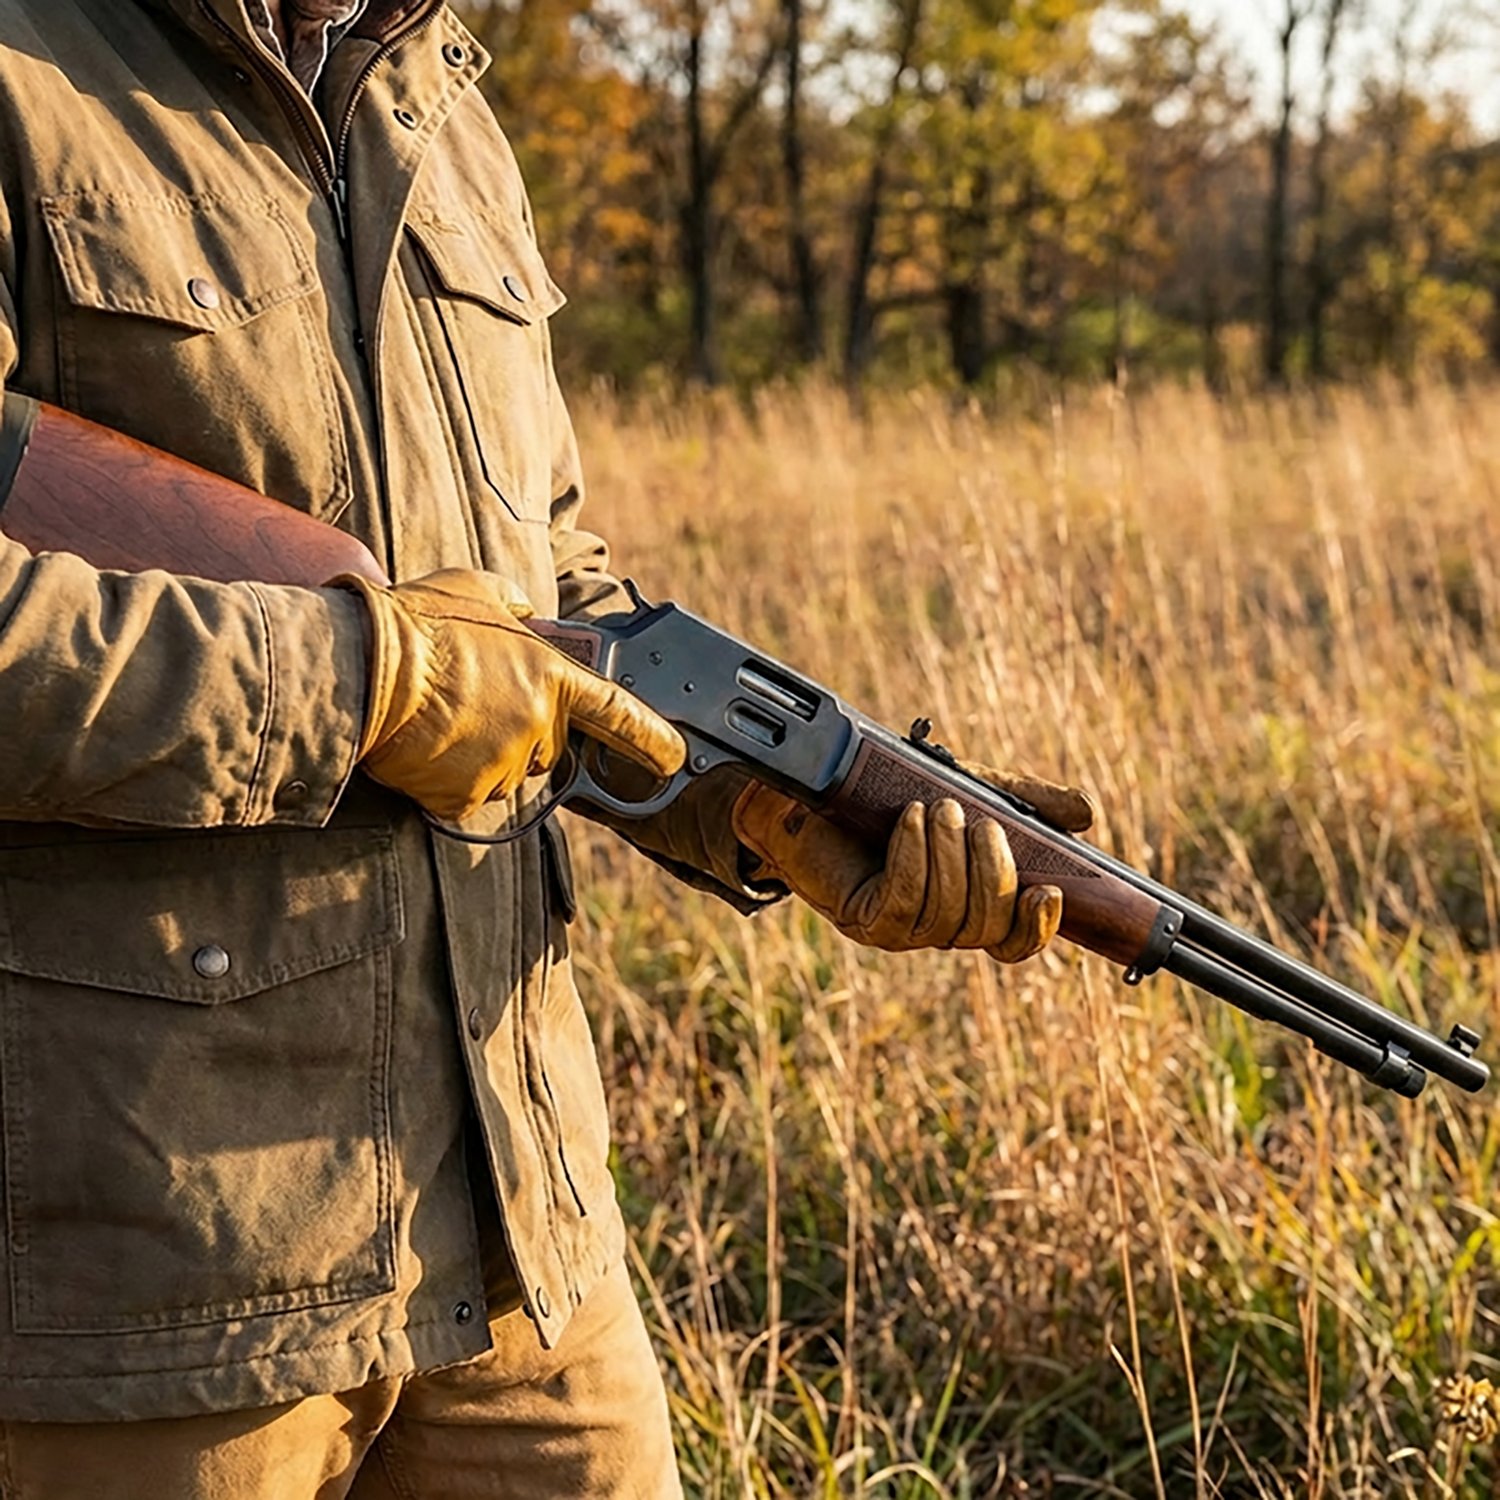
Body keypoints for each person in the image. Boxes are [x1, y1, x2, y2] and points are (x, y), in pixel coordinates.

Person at [0, 1, 1092, 1494]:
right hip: (158, 1280)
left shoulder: (441, 103)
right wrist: (368, 684)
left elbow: (540, 580)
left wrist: (758, 802)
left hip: (525, 1240)